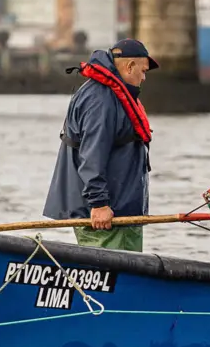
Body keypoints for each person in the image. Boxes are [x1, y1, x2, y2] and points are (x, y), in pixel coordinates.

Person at [43, 38, 158, 252]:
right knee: (114, 269)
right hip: (105, 215)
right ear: (129, 66)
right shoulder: (101, 100)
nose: (144, 77)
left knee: (128, 268)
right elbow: (91, 156)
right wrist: (99, 204)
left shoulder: (110, 94)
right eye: (143, 71)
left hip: (121, 210)